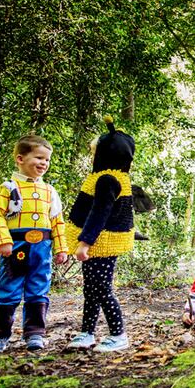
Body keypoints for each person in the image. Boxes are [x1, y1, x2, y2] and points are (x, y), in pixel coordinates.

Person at [0, 135, 68, 355]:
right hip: (16, 246)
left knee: (38, 290)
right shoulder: (8, 187)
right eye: (39, 157)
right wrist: (3, 241)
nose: (44, 163)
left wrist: (61, 248)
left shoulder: (50, 191)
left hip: (42, 248)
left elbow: (57, 221)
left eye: (47, 160)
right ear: (20, 158)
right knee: (8, 290)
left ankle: (35, 334)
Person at [66, 116, 136, 352]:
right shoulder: (114, 178)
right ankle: (87, 332)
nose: (92, 156)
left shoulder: (107, 180)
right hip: (99, 243)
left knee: (102, 289)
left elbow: (101, 213)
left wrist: (84, 242)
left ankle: (118, 334)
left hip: (100, 244)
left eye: (95, 152)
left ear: (106, 155)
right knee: (91, 289)